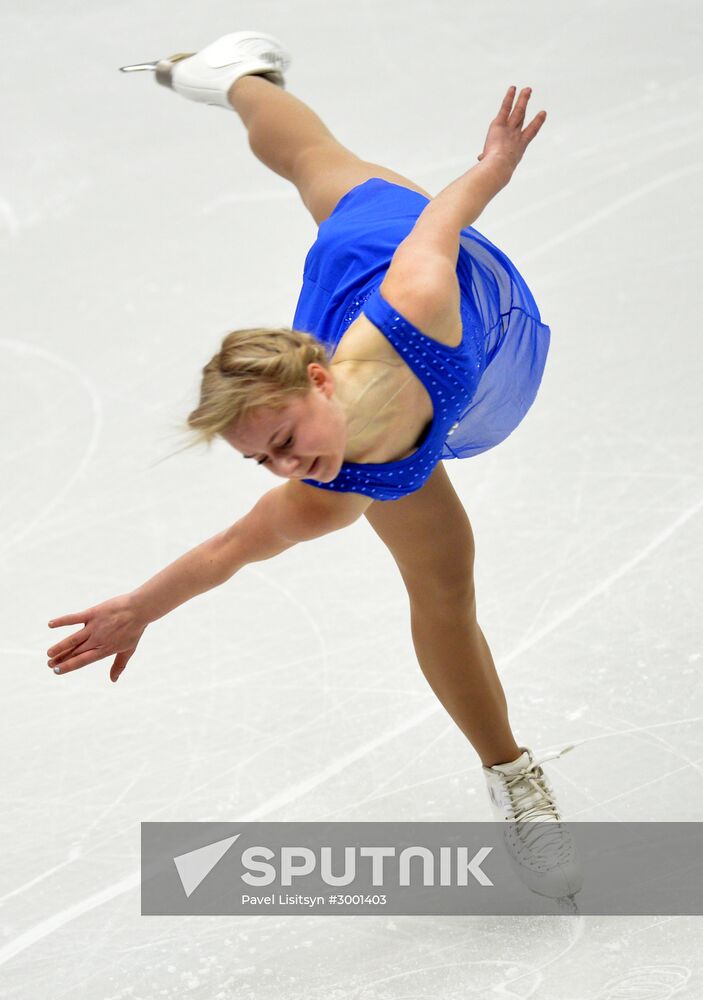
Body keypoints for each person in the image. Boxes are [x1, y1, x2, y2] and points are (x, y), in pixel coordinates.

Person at [47, 31, 582, 898]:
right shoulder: (329, 484)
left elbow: (442, 220)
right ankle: (511, 776)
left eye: (285, 440)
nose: (287, 466)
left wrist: (493, 165)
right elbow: (230, 549)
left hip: (392, 249)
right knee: (444, 593)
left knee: (313, 160)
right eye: (263, 460)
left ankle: (234, 76)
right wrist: (138, 609)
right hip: (374, 401)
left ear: (321, 379)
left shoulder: (414, 298)